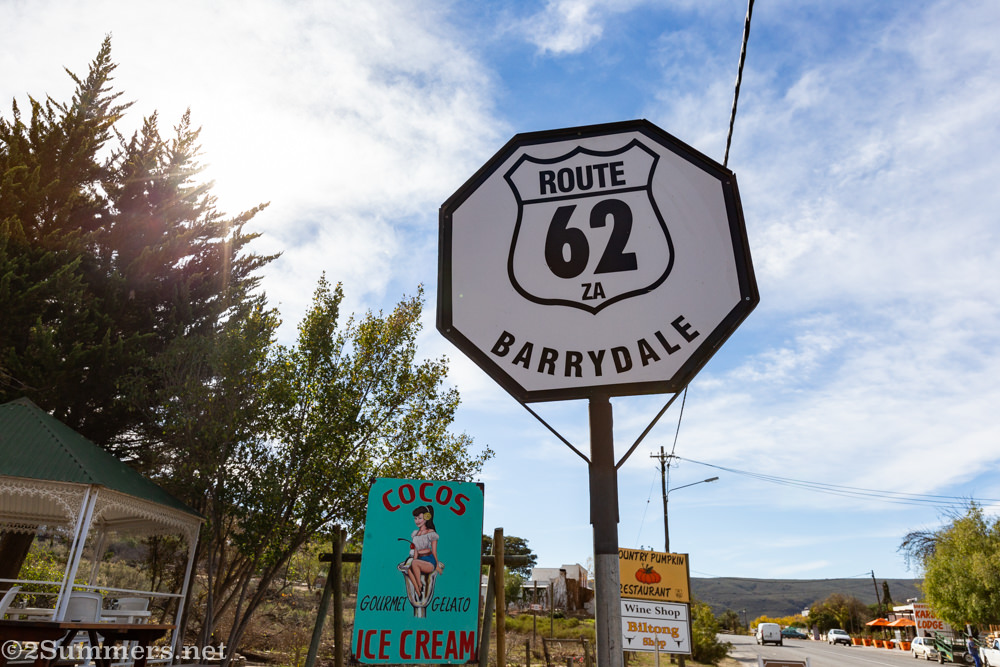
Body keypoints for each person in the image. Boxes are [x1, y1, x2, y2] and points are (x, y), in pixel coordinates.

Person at [404, 505, 444, 596]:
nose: (417, 521)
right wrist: (413, 562)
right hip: (419, 561)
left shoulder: (431, 533)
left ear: (426, 518)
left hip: (429, 561)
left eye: (420, 518)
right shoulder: (415, 534)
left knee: (414, 563)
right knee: (409, 570)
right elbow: (416, 552)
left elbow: (434, 551)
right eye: (415, 518)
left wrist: (437, 565)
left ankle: (420, 585)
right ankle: (418, 592)